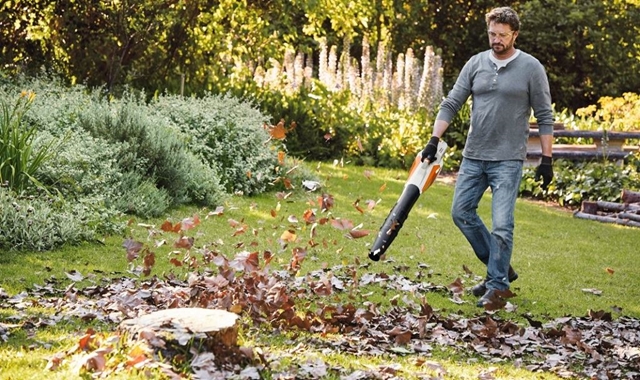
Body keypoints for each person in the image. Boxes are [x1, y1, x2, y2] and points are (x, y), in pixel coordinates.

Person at [420, 6, 554, 307]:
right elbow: (452, 102)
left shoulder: (531, 68)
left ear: (514, 35)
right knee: (460, 212)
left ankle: (497, 286)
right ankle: (500, 266)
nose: (496, 39)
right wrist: (433, 139)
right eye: (492, 33)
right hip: (474, 155)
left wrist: (547, 159)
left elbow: (545, 116)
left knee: (502, 224)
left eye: (502, 35)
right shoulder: (476, 63)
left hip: (508, 158)